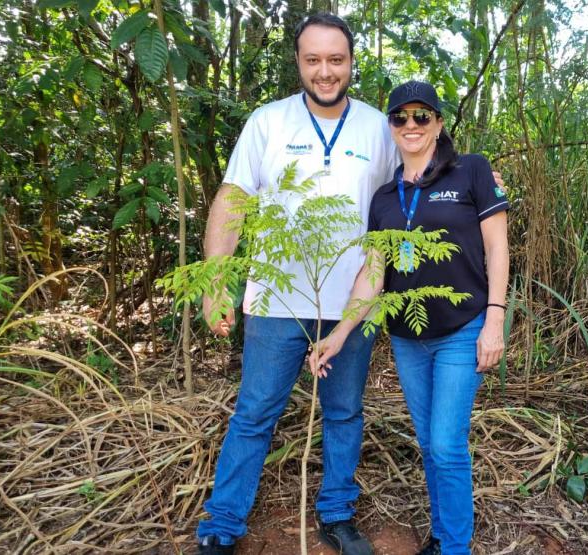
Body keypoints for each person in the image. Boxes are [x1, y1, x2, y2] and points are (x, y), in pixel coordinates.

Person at [195, 13, 398, 555]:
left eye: (336, 60)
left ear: (352, 62)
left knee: (344, 411)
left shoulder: (379, 127)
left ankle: (336, 513)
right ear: (299, 63)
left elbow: (419, 183)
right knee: (256, 411)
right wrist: (217, 283)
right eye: (314, 60)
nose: (325, 71)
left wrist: (479, 180)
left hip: (352, 303)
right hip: (275, 298)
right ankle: (223, 523)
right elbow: (233, 201)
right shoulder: (268, 122)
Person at [309, 81, 510, 555]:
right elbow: (374, 272)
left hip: (463, 329)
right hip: (407, 337)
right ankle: (443, 537)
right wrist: (339, 334)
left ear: (439, 124)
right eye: (400, 117)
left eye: (422, 116)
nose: (411, 125)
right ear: (391, 127)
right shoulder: (384, 198)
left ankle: (455, 546)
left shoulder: (473, 172)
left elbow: (497, 247)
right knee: (430, 443)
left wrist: (495, 320)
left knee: (445, 444)